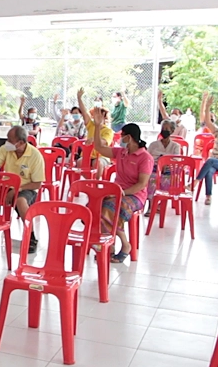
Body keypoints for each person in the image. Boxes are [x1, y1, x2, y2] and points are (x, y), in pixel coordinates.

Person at [91, 113, 153, 263]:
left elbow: (142, 184)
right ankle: (109, 245)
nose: (120, 139)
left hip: (135, 196)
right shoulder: (121, 152)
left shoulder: (145, 158)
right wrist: (98, 126)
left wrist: (121, 193)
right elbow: (99, 147)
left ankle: (125, 245)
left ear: (129, 138)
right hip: (116, 191)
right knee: (93, 206)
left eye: (122, 136)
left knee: (110, 208)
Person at [0, 125, 45, 253]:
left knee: (20, 201)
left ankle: (31, 237)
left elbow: (37, 184)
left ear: (21, 142)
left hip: (27, 187)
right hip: (5, 186)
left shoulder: (35, 155)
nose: (7, 142)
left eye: (10, 140)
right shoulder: (6, 149)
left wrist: (17, 190)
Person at [145, 119, 181, 216]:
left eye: (167, 129)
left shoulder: (175, 146)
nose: (164, 130)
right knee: (152, 178)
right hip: (154, 169)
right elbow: (147, 158)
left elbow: (176, 160)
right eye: (163, 128)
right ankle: (151, 206)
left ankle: (160, 203)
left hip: (169, 170)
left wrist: (166, 164)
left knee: (167, 180)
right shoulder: (153, 145)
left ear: (172, 131)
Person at [77, 88, 114, 176]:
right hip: (87, 155)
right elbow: (84, 112)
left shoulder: (108, 131)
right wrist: (79, 98)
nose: (98, 117)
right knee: (79, 162)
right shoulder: (91, 125)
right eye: (96, 115)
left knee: (98, 164)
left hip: (101, 156)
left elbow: (104, 142)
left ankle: (96, 184)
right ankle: (89, 183)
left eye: (101, 116)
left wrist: (93, 139)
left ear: (105, 117)